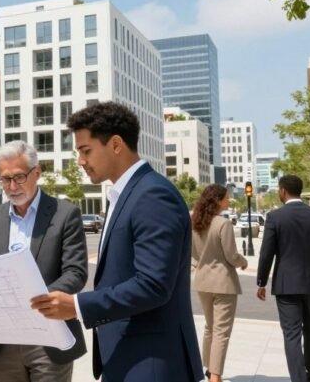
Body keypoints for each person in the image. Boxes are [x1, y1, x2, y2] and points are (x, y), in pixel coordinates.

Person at [30, 101, 203, 381]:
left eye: (86, 150)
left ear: (116, 144)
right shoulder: (124, 195)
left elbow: (153, 285)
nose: (80, 161)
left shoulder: (152, 195)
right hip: (129, 357)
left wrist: (76, 306)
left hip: (152, 364)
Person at [0, 140, 88, 382]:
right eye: (5, 179)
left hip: (49, 337)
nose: (13, 186)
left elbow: (75, 272)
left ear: (36, 173)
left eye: (19, 177)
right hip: (4, 340)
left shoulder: (65, 214)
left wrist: (37, 300)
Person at [256, 175, 310, 382]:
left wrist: (261, 282)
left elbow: (267, 253)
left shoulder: (275, 217)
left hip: (286, 284)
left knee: (291, 334)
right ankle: (309, 371)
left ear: (283, 191)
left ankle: (299, 379)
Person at [191, 184, 248, 382]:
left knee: (210, 327)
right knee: (221, 331)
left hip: (202, 281)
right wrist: (243, 261)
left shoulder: (196, 223)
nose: (229, 200)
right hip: (223, 282)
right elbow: (231, 256)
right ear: (217, 200)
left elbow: (194, 255)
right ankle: (215, 376)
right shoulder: (223, 224)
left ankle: (208, 369)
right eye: (226, 197)